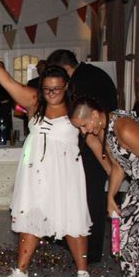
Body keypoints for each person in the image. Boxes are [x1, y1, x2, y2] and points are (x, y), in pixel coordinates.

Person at [0, 34, 102, 277]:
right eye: (47, 88)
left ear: (66, 86)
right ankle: (21, 270)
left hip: (66, 171)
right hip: (35, 171)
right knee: (31, 216)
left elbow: (97, 137)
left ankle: (83, 272)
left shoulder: (77, 108)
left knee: (72, 217)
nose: (51, 94)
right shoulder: (34, 102)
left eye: (57, 88)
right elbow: (6, 81)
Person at [70, 97, 139, 277]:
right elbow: (119, 165)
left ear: (96, 115)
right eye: (78, 127)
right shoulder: (106, 129)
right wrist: (111, 196)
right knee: (126, 233)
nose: (83, 131)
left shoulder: (124, 128)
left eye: (84, 125)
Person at [47, 49, 118, 265]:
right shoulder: (94, 73)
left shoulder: (82, 80)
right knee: (88, 195)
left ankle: (91, 250)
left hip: (98, 143)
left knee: (90, 197)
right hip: (99, 141)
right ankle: (78, 243)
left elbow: (81, 119)